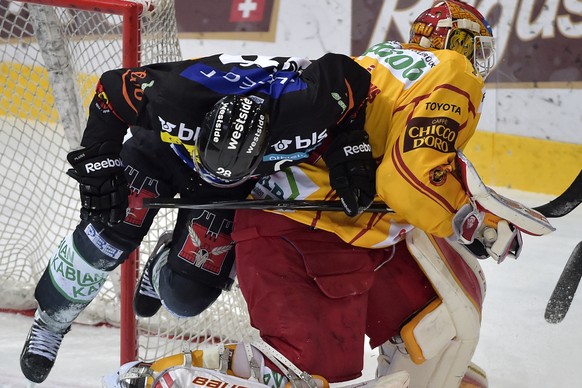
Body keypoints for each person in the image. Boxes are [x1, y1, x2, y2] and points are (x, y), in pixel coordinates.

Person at [19, 52, 376, 384]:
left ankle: (162, 263)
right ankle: (50, 321)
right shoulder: (175, 97)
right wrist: (101, 160)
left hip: (230, 189)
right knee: (107, 235)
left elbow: (353, 79)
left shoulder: (306, 110)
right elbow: (114, 87)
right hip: (161, 151)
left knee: (185, 298)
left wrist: (350, 142)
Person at [228, 1, 521, 388]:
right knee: (311, 378)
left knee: (435, 326)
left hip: (340, 229)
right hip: (304, 232)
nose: (476, 58)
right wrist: (473, 224)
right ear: (458, 42)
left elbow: (421, 164)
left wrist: (470, 208)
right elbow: (408, 179)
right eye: (473, 44)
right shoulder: (454, 70)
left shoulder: (380, 57)